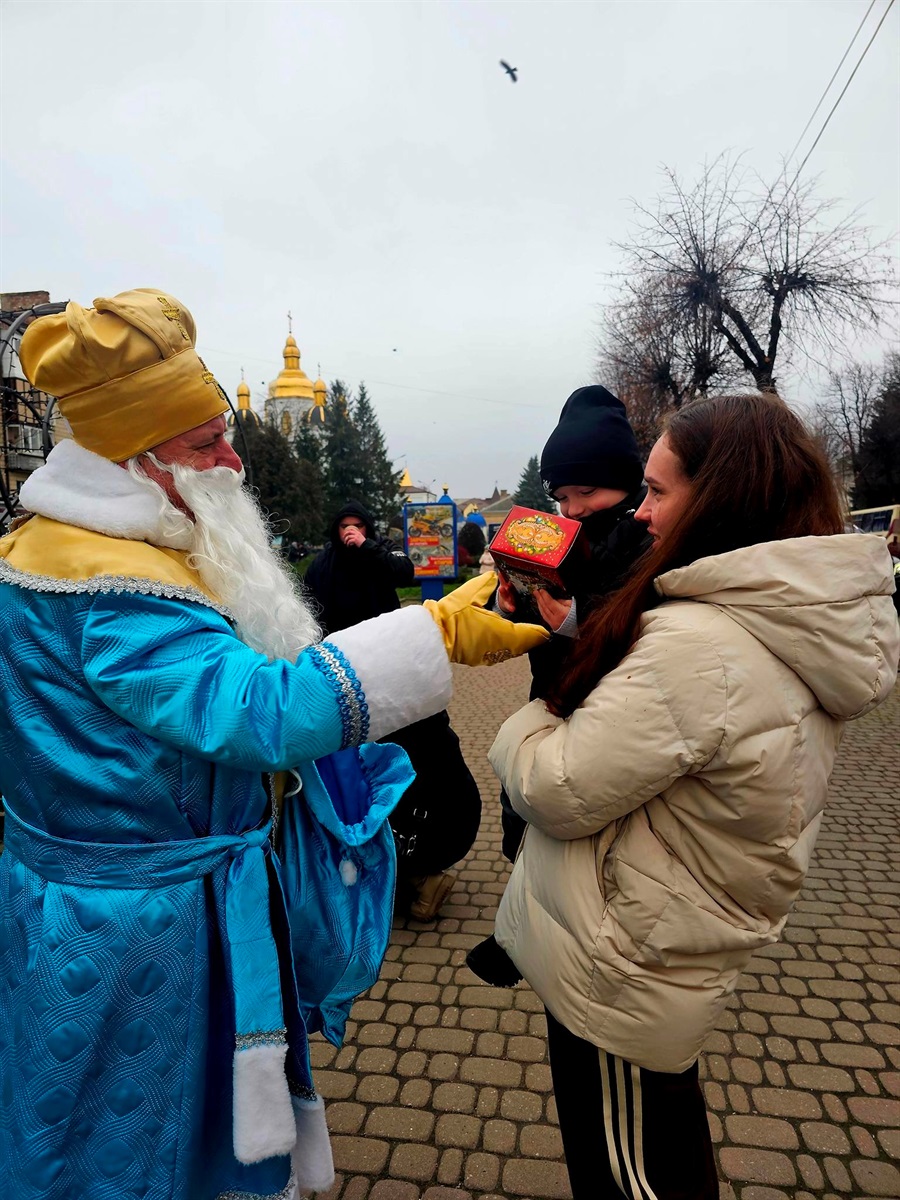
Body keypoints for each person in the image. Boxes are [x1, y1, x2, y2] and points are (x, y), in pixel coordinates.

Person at [0, 288, 547, 1200]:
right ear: (144, 461)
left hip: (104, 906)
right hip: (139, 934)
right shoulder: (111, 588)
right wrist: (438, 636)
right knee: (139, 1141)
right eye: (207, 441)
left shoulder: (85, 549)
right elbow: (259, 712)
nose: (234, 455)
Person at [488, 393, 898, 1199]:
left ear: (722, 498)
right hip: (669, 928)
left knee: (633, 1172)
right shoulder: (765, 616)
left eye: (657, 491)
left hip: (623, 961)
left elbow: (557, 787)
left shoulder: (703, 640)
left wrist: (527, 720)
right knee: (657, 1146)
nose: (641, 516)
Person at [467, 385, 650, 986]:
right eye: (562, 496)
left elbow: (639, 626)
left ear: (628, 485)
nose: (571, 510)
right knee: (526, 814)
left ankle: (563, 948)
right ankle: (520, 929)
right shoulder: (562, 537)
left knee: (576, 833)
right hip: (551, 696)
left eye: (587, 493)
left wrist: (569, 618)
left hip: (607, 713)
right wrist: (515, 603)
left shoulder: (642, 543)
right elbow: (544, 621)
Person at [305, 502, 481, 920]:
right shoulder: (322, 566)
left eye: (358, 525)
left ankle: (413, 868)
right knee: (355, 776)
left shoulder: (381, 556)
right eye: (344, 526)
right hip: (343, 679)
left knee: (406, 764)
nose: (351, 531)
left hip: (389, 671)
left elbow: (405, 573)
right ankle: (379, 870)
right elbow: (308, 613)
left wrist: (367, 547)